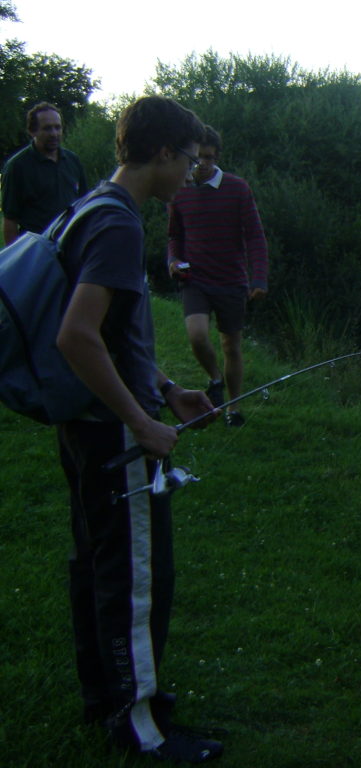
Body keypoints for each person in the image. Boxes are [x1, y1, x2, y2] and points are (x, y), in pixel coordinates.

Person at [56, 95, 224, 763]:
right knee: (133, 575)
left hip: (85, 419)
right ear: (161, 153)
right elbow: (75, 336)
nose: (190, 172)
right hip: (110, 428)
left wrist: (166, 389)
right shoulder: (120, 224)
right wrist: (140, 422)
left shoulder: (92, 203)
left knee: (95, 561)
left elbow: (111, 336)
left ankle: (106, 694)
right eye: (188, 159)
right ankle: (139, 727)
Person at [166, 125, 268, 427]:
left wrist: (259, 278)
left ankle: (233, 408)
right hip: (195, 279)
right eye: (197, 159)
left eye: (209, 158)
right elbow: (174, 236)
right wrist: (173, 260)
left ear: (217, 157)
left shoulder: (238, 188)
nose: (203, 165)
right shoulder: (179, 191)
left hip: (231, 280)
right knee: (197, 335)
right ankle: (214, 379)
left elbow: (255, 236)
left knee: (230, 346)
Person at [1, 101, 89, 244]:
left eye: (57, 128)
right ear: (32, 131)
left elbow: (84, 204)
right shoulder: (17, 166)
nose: (54, 134)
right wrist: (17, 260)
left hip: (71, 246)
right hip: (37, 248)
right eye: (47, 129)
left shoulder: (72, 161)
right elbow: (10, 220)